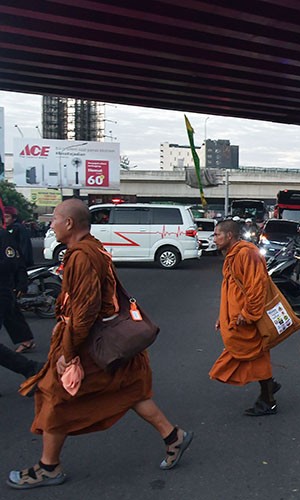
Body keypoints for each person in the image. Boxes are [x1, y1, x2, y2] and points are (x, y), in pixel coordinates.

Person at [8, 199, 192, 490]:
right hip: (105, 339)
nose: (51, 224)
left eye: (55, 219)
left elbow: (84, 312)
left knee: (54, 395)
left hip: (90, 343)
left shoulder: (82, 255)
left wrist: (68, 355)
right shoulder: (92, 247)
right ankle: (173, 436)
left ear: (69, 223)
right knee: (129, 390)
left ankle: (49, 467)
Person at [210, 220, 280, 416]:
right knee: (255, 358)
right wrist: (221, 316)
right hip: (236, 319)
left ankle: (268, 399)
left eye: (217, 235)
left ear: (229, 236)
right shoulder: (232, 255)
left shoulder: (246, 253)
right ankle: (269, 390)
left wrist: (248, 314)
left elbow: (257, 287)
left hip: (246, 320)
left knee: (256, 357)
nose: (214, 239)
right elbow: (230, 289)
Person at [0, 227, 41, 389]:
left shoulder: (2, 235)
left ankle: (31, 368)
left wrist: (21, 283)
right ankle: (31, 368)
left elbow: (10, 262)